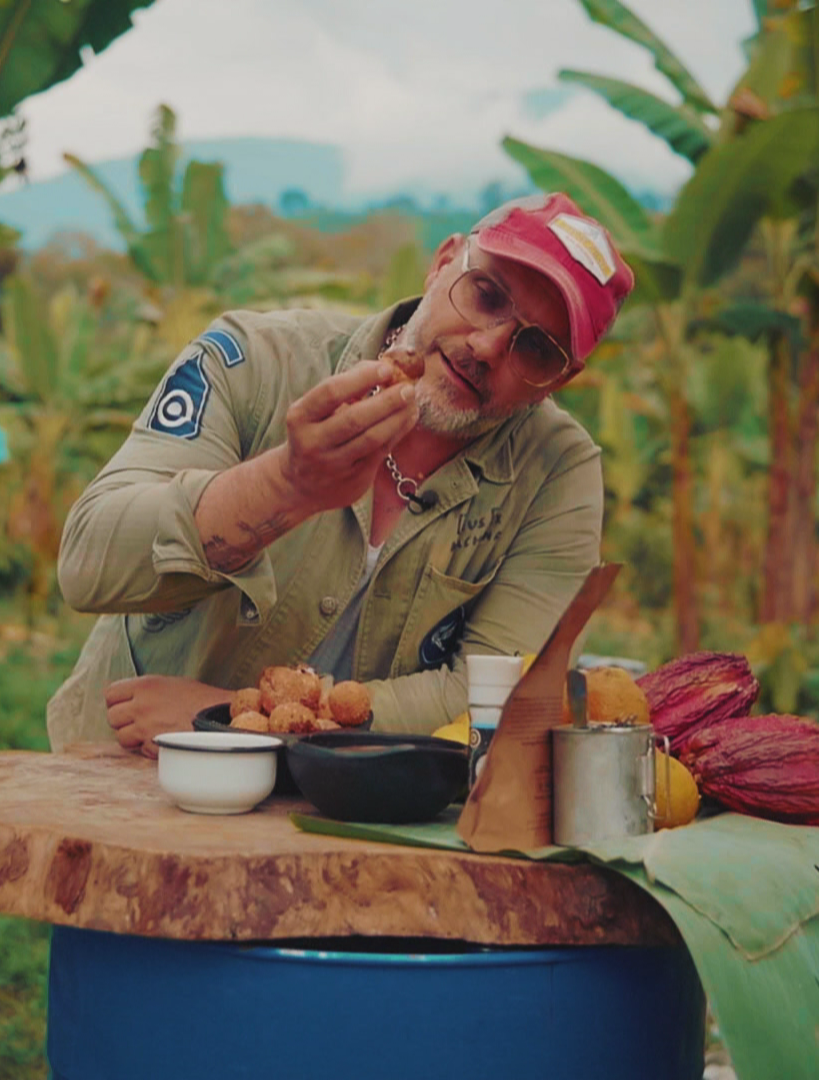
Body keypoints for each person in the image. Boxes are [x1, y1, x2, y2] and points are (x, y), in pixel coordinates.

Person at [46, 192, 636, 755]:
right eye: (485, 295)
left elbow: (504, 697)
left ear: (560, 381)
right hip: (120, 778)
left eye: (535, 350)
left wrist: (240, 719)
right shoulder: (253, 358)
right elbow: (88, 564)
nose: (486, 346)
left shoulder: (560, 473)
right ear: (440, 264)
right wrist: (286, 485)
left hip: (339, 825)